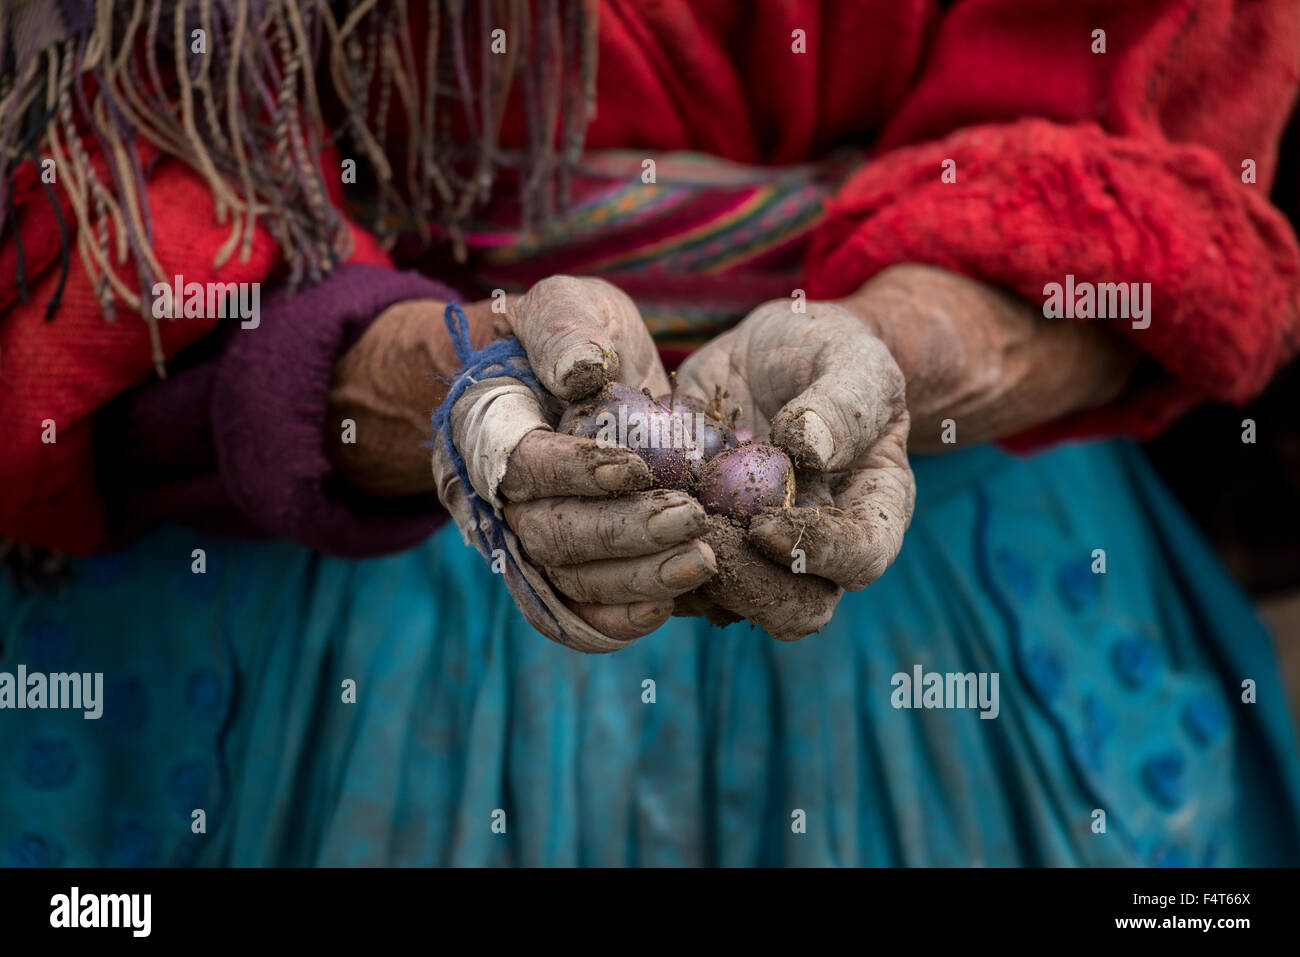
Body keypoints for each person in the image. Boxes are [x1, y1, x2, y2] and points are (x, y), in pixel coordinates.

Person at [2, 0, 1299, 866]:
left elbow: (1158, 137)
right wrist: (421, 377)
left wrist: (904, 348)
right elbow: (90, 212)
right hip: (305, 581)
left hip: (943, 567)